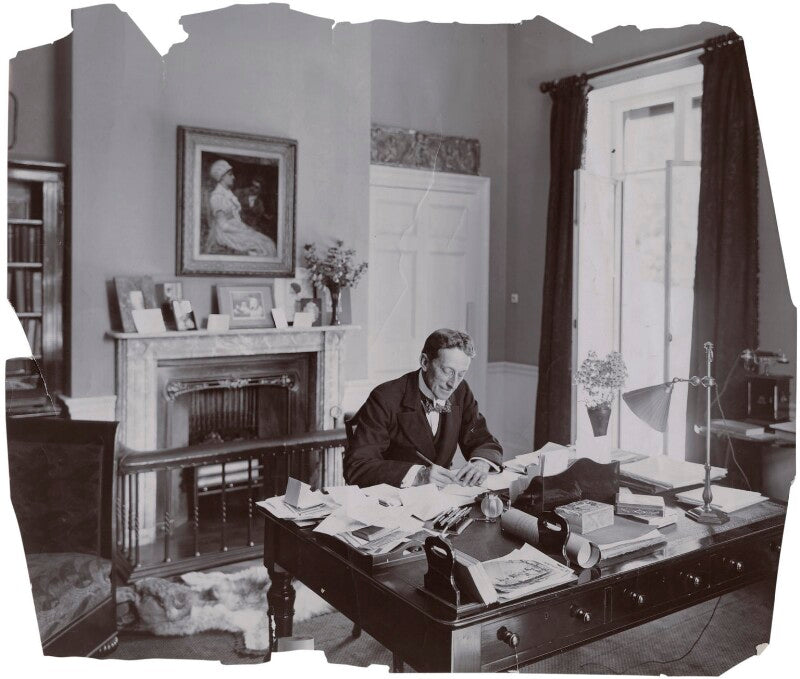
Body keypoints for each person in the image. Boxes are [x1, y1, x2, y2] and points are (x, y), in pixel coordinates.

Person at [344, 328, 502, 488]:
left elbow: (482, 438)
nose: (453, 384)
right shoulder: (385, 398)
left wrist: (481, 462)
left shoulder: (461, 391)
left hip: (443, 497)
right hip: (394, 497)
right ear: (425, 362)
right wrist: (418, 476)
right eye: (447, 371)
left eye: (461, 374)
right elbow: (357, 467)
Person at [206, 159, 277, 257]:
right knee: (265, 245)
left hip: (237, 229)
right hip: (227, 234)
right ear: (222, 177)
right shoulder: (217, 197)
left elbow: (237, 217)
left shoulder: (228, 194)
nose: (233, 177)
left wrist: (245, 228)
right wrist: (244, 230)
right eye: (230, 174)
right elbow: (223, 226)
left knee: (268, 243)